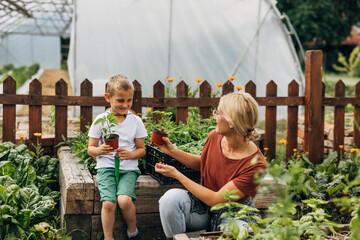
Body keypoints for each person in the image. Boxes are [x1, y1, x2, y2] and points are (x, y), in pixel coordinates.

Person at [153, 92, 266, 238]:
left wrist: (177, 175)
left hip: (233, 213)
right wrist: (173, 151)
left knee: (241, 234)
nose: (214, 117)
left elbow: (216, 199)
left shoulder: (256, 165)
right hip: (202, 206)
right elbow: (206, 163)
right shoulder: (215, 136)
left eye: (218, 113)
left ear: (232, 123)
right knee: (169, 200)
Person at [88, 74, 147, 240]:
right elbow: (90, 149)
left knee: (124, 200)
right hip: (106, 168)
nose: (125, 105)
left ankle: (133, 232)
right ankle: (108, 237)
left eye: (129, 100)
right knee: (108, 203)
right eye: (120, 100)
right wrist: (99, 150)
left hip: (128, 169)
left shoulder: (135, 121)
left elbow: (141, 150)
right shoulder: (101, 120)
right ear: (108, 98)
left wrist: (130, 154)